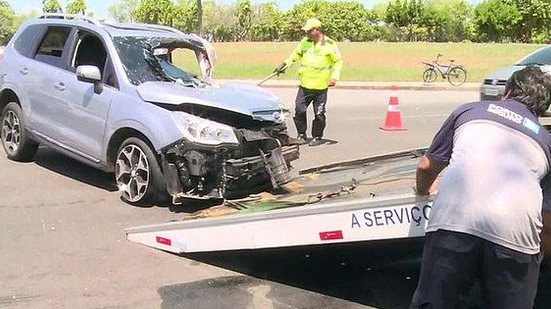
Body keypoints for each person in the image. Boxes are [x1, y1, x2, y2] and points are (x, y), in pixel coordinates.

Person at [411, 66, 551, 308]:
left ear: (506, 91)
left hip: (455, 223)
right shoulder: (546, 141)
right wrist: (538, 258)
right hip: (514, 238)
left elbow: (426, 166)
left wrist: (423, 191)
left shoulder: (470, 110)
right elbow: (547, 219)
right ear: (543, 108)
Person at [274, 18, 343, 147]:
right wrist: (284, 65)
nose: (307, 33)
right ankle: (301, 135)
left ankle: (317, 136)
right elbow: (295, 55)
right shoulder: (305, 42)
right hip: (305, 85)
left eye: (309, 30)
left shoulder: (329, 44)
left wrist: (334, 77)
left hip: (321, 87)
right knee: (299, 110)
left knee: (319, 114)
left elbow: (338, 61)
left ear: (317, 30)